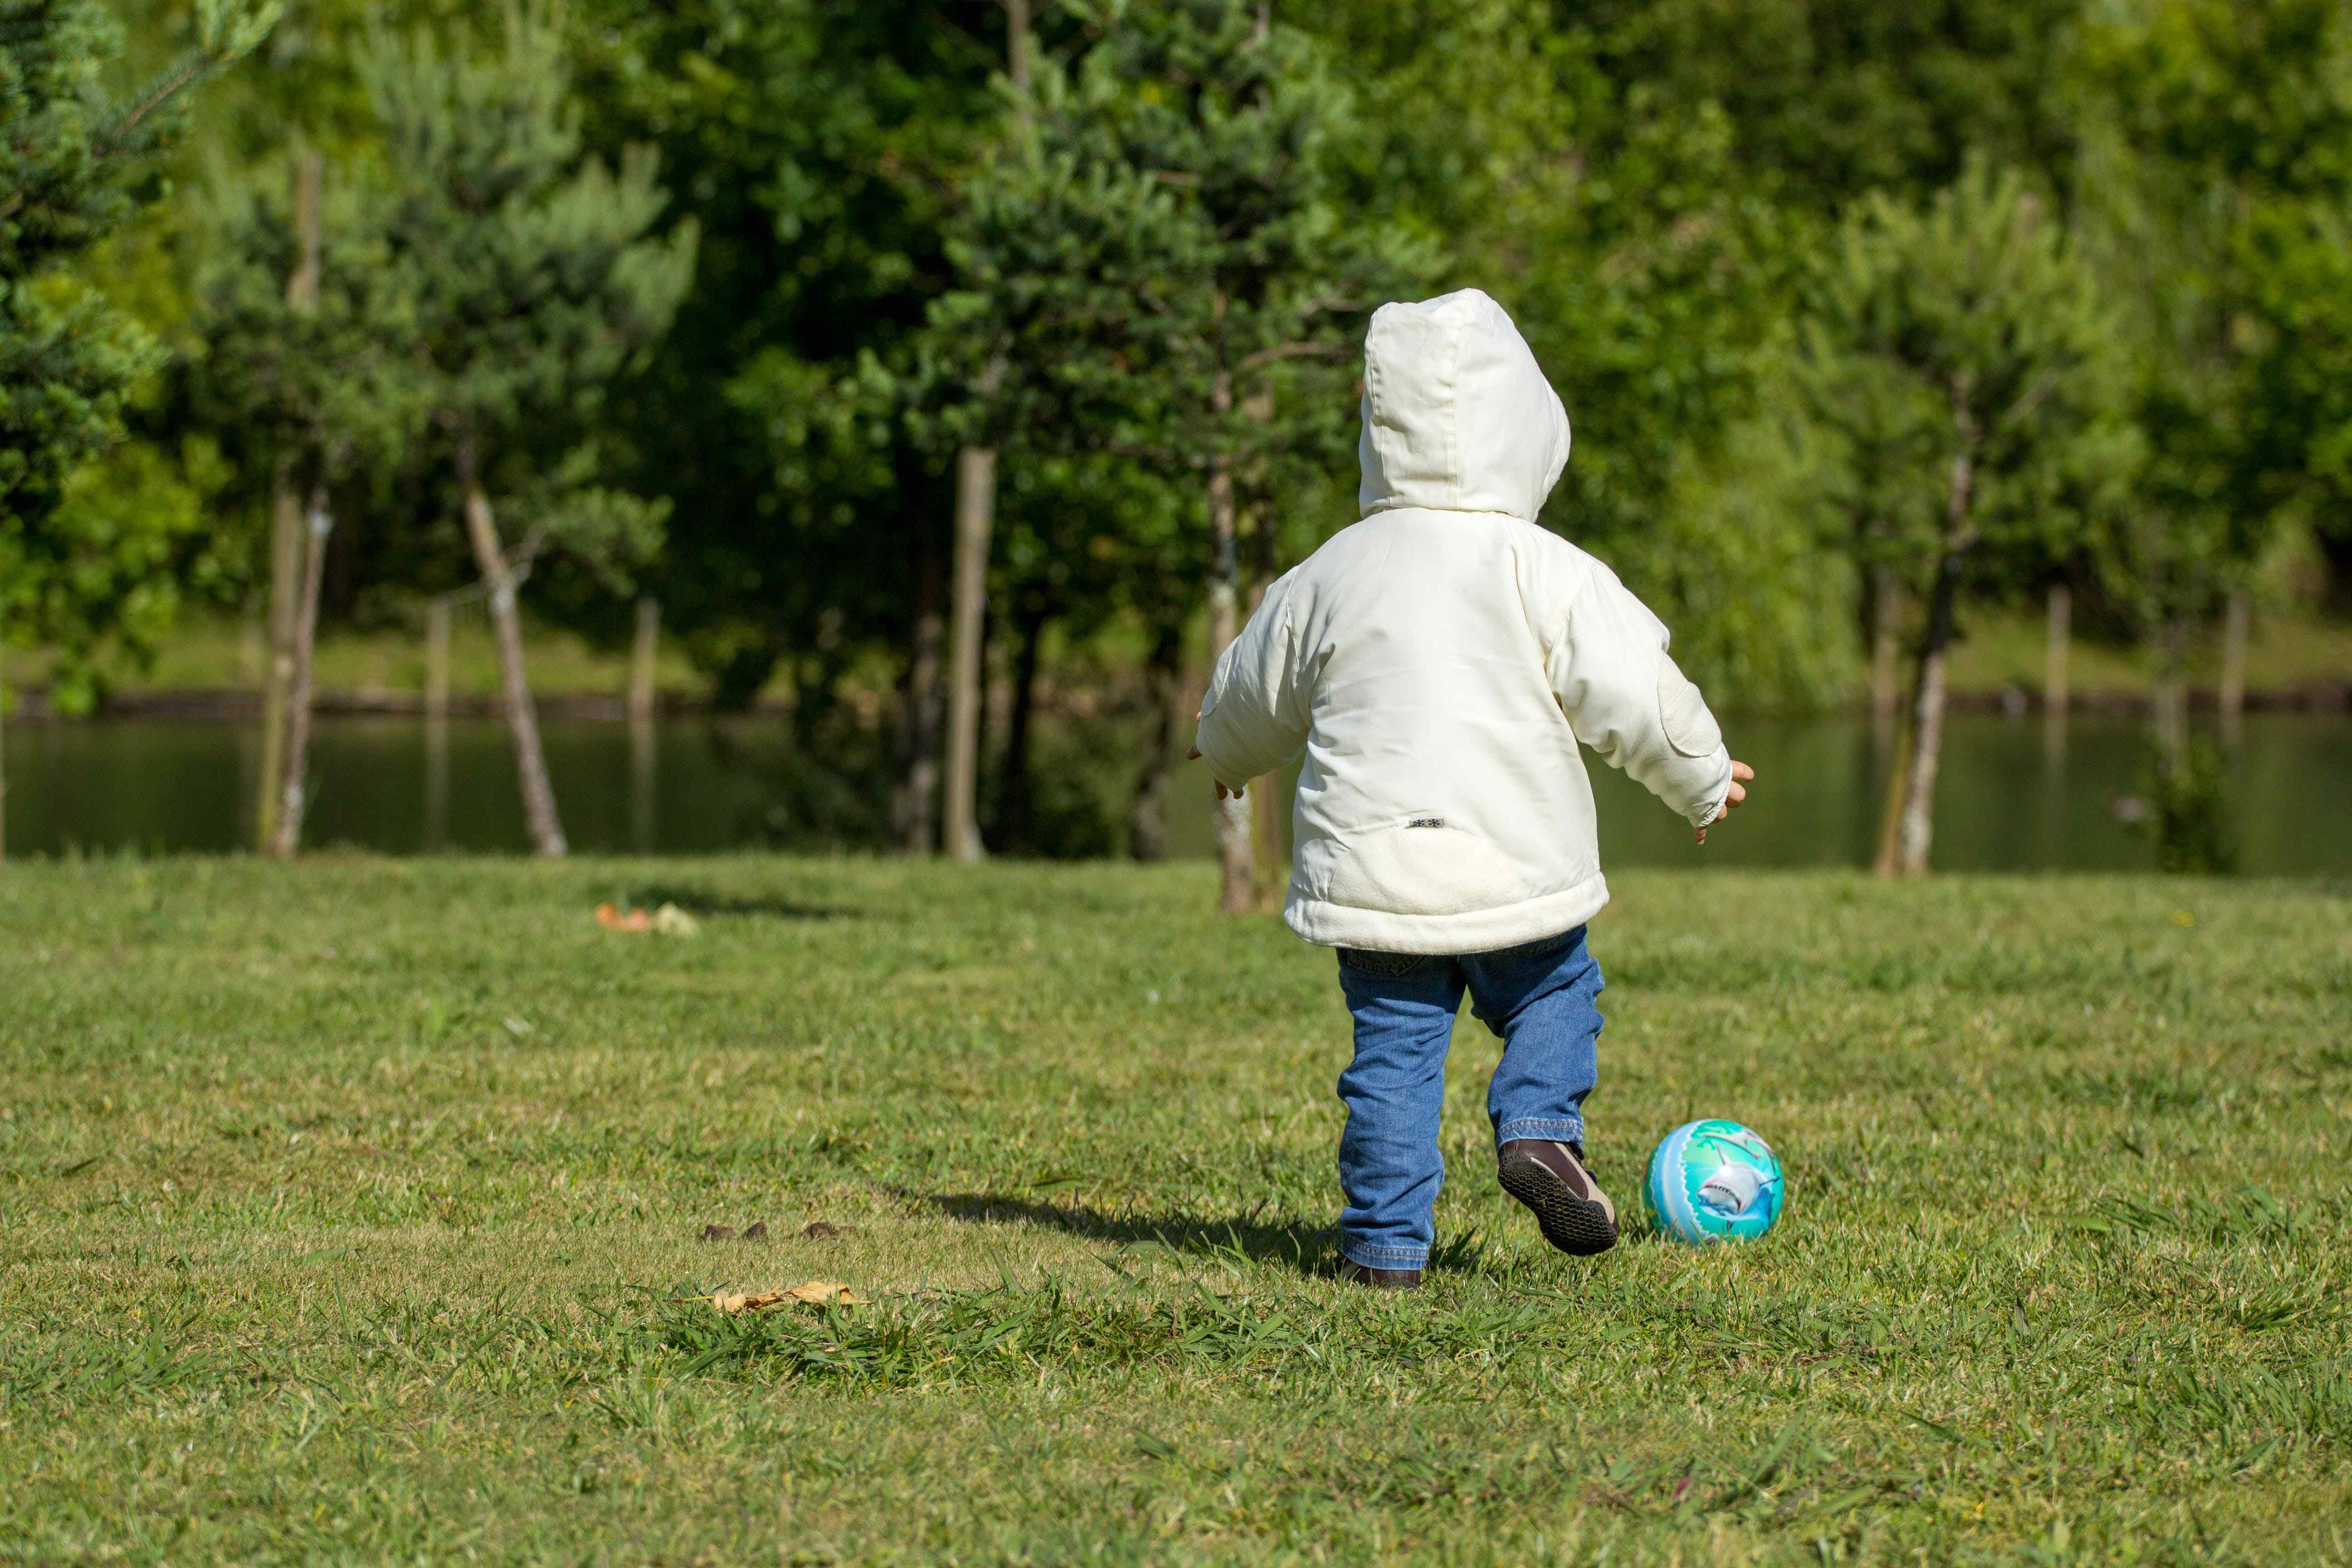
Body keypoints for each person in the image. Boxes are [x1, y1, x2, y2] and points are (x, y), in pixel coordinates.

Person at [1189, 288, 1754, 1289]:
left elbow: (1253, 685)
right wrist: (1703, 777)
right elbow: (1636, 690)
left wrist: (1224, 754)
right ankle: (1537, 1128)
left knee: (1394, 1062)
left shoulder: (1332, 572)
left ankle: (1382, 1252)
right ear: (1526, 429)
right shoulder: (1543, 568)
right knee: (1557, 992)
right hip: (1511, 862)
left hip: (1377, 873)